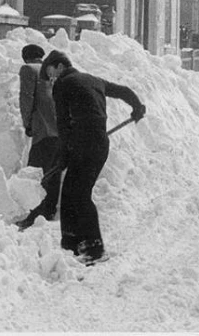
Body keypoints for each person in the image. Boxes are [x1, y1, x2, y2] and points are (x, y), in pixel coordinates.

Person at [40, 50, 146, 265]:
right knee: (71, 191)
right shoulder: (93, 79)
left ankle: (94, 248)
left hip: (83, 143)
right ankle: (72, 243)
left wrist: (64, 153)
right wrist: (137, 107)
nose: (51, 80)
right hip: (98, 144)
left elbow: (63, 123)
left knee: (79, 194)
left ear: (60, 67)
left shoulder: (63, 83)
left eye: (50, 74)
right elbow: (123, 91)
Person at [14, 44, 62, 231]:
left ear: (26, 58)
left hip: (43, 130)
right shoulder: (54, 71)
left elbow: (26, 98)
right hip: (60, 130)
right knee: (53, 170)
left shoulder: (28, 70)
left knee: (34, 172)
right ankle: (49, 211)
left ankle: (34, 215)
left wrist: (27, 124)